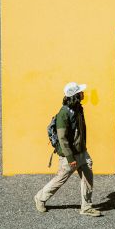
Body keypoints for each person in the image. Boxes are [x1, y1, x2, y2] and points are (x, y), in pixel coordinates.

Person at [34, 81, 102, 217]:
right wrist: (70, 158)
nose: (83, 94)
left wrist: (83, 148)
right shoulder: (63, 115)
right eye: (80, 92)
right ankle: (40, 198)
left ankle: (86, 207)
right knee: (61, 178)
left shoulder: (78, 108)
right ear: (75, 96)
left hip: (82, 152)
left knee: (88, 176)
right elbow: (62, 139)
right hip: (69, 155)